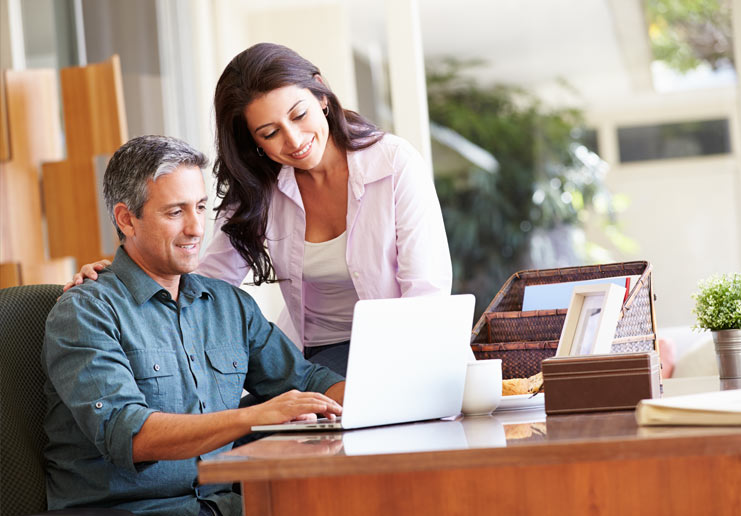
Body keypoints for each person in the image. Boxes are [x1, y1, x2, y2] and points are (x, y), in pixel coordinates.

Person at [66, 43, 452, 376]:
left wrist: (401, 374)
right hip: (315, 356)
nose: (294, 140)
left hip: (402, 350)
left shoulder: (395, 164)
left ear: (321, 94)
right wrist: (117, 280)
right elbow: (208, 281)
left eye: (299, 115)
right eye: (269, 133)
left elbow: (426, 292)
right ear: (253, 141)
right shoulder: (259, 185)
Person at [43, 135, 345, 516]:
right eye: (175, 213)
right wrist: (253, 416)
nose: (197, 228)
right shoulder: (85, 312)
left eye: (200, 208)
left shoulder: (228, 306)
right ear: (126, 219)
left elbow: (307, 382)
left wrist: (381, 403)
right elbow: (129, 433)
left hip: (224, 506)